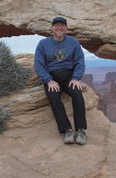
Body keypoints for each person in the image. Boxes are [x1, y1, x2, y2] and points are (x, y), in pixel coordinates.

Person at [34, 17, 87, 145]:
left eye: (62, 26)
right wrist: (49, 80)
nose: (59, 28)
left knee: (77, 94)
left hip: (69, 76)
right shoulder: (43, 44)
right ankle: (67, 130)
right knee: (53, 97)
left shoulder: (73, 42)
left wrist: (76, 78)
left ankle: (80, 130)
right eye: (56, 25)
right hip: (52, 77)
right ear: (52, 28)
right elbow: (38, 65)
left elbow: (80, 61)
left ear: (66, 29)